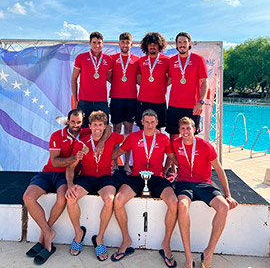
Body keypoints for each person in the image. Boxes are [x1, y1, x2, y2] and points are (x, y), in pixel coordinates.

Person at [112, 109, 178, 267]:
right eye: (146, 122)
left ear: (157, 123)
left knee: (174, 202)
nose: (149, 125)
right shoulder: (134, 137)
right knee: (118, 200)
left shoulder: (163, 139)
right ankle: (126, 239)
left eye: (152, 122)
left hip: (156, 178)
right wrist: (99, 158)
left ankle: (166, 244)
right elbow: (118, 152)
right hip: (136, 177)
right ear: (142, 122)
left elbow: (173, 157)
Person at [173, 117, 238, 268]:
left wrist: (227, 194)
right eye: (182, 129)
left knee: (223, 207)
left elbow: (219, 170)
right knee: (182, 206)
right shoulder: (176, 144)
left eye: (188, 128)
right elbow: (172, 158)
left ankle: (209, 252)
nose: (185, 132)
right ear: (179, 131)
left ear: (194, 129)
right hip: (184, 183)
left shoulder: (205, 146)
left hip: (203, 183)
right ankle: (188, 257)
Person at [23, 109, 86, 265]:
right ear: (68, 121)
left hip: (66, 176)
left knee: (62, 198)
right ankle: (47, 232)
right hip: (48, 172)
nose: (76, 125)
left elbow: (107, 129)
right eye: (73, 122)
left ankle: (44, 236)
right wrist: (73, 158)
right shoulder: (57, 135)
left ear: (82, 123)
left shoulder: (85, 137)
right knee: (28, 197)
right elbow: (56, 162)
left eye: (79, 122)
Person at [65, 110, 127, 261]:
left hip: (105, 178)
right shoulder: (82, 141)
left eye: (101, 125)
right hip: (86, 178)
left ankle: (99, 238)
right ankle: (78, 233)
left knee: (109, 199)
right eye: (95, 125)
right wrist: (70, 184)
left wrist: (152, 131)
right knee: (71, 198)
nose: (98, 128)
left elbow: (130, 138)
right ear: (90, 126)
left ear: (105, 126)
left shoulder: (112, 137)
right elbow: (70, 167)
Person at [165, 31, 209, 180]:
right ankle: (173, 169)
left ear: (189, 43)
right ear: (176, 44)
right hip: (174, 105)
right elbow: (168, 80)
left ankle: (190, 169)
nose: (182, 45)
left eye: (184, 42)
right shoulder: (172, 61)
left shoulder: (198, 59)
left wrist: (201, 101)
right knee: (173, 137)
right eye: (179, 42)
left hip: (192, 106)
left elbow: (204, 82)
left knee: (190, 138)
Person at [108, 32, 139, 175]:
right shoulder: (112, 59)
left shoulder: (136, 60)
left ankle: (127, 164)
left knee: (128, 132)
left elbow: (139, 79)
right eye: (123, 42)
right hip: (116, 99)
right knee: (116, 131)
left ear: (131, 44)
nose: (125, 45)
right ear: (119, 44)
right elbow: (109, 77)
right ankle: (114, 163)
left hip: (131, 99)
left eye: (128, 42)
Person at [71, 31, 112, 128]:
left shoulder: (108, 59)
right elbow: (74, 79)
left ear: (103, 43)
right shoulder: (81, 57)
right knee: (84, 129)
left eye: (99, 43)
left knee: (103, 128)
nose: (97, 45)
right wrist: (76, 99)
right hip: (84, 101)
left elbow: (111, 79)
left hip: (101, 101)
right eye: (94, 42)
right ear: (90, 43)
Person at [136, 32, 169, 130]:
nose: (152, 46)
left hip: (159, 100)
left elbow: (171, 78)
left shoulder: (167, 60)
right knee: (143, 128)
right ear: (146, 46)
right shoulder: (141, 60)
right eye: (150, 44)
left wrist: (160, 85)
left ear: (160, 45)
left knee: (158, 129)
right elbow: (138, 79)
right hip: (143, 100)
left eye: (155, 43)